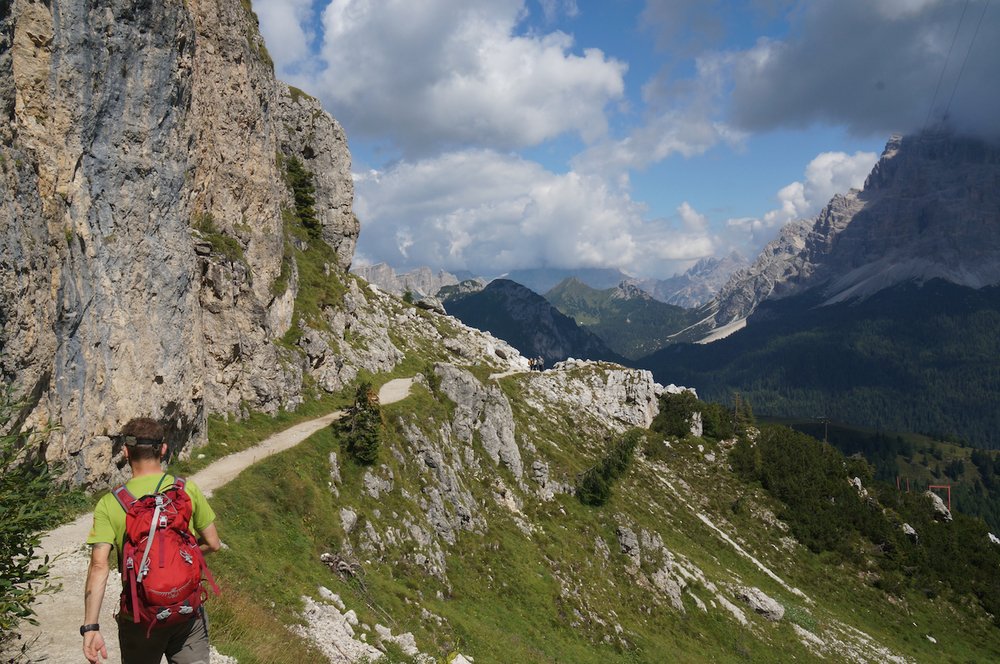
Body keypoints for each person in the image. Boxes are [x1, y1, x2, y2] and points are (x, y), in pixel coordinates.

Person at [82, 418, 221, 664]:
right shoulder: (186, 489)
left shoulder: (110, 503)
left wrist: (90, 627)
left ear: (125, 452)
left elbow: (99, 566)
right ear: (164, 449)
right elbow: (213, 544)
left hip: (140, 617)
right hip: (186, 611)